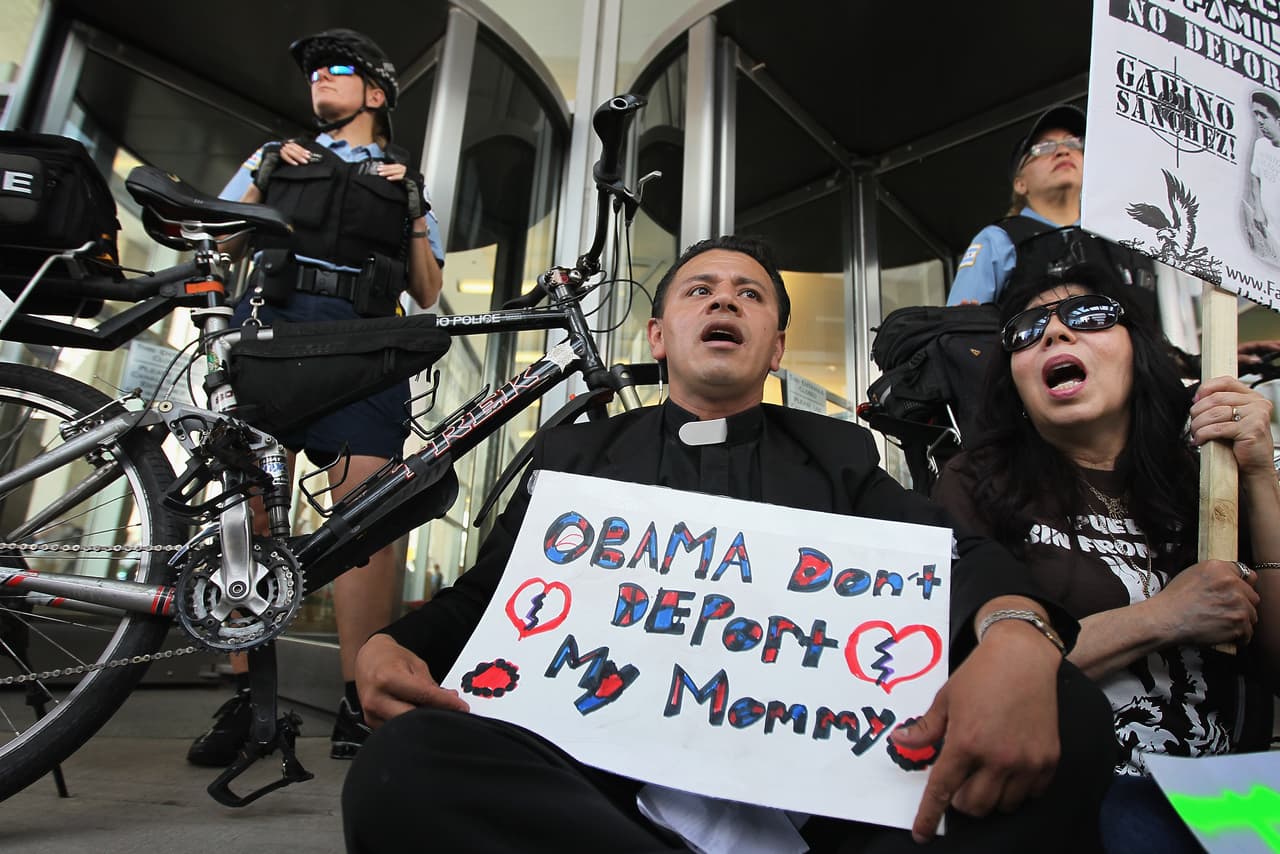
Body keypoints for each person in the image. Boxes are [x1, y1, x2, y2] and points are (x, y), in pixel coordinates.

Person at [342, 235, 1116, 853]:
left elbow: (950, 558)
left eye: (750, 295)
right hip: (600, 791)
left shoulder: (837, 455)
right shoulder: (575, 458)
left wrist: (1018, 634)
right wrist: (389, 644)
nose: (724, 301)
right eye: (700, 290)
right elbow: (486, 597)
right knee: (401, 770)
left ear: (775, 347)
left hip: (822, 797)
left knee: (1067, 713)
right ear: (658, 334)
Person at [933, 263, 1280, 853]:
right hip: (1091, 787)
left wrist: (1260, 480)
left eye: (1088, 316)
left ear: (1138, 352)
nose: (1056, 334)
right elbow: (971, 679)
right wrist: (1164, 616)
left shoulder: (1212, 475)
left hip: (1241, 793)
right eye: (1026, 328)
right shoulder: (974, 486)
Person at [186, 28, 445, 767]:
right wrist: (265, 174)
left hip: (366, 339)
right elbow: (216, 236)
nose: (317, 83)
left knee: (368, 516)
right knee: (248, 510)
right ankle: (249, 700)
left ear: (375, 94)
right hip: (274, 328)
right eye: (312, 75)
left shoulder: (405, 177)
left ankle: (358, 703)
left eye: (335, 71)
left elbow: (425, 291)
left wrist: (414, 204)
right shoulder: (273, 156)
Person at [948, 104, 1158, 316]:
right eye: (1044, 148)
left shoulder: (1120, 236)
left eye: (1073, 143)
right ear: (1020, 184)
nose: (1063, 151)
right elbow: (957, 328)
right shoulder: (998, 240)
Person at [1244, 91, 1280, 262]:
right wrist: (1258, 208)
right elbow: (1254, 178)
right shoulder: (1261, 145)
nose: (1259, 121)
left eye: (1263, 116)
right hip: (1267, 227)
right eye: (1256, 115)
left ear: (1278, 120)